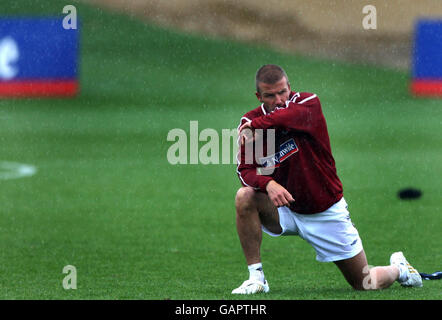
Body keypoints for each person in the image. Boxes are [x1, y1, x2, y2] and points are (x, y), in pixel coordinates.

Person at [232, 64, 423, 294]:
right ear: (258, 96)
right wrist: (268, 184)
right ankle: (256, 278)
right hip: (286, 209)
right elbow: (245, 171)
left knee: (365, 283)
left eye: (283, 91)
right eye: (270, 96)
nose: (279, 99)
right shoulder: (250, 120)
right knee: (245, 197)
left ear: (290, 87)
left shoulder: (307, 103)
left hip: (324, 211)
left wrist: (253, 127)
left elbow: (286, 116)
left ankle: (399, 269)